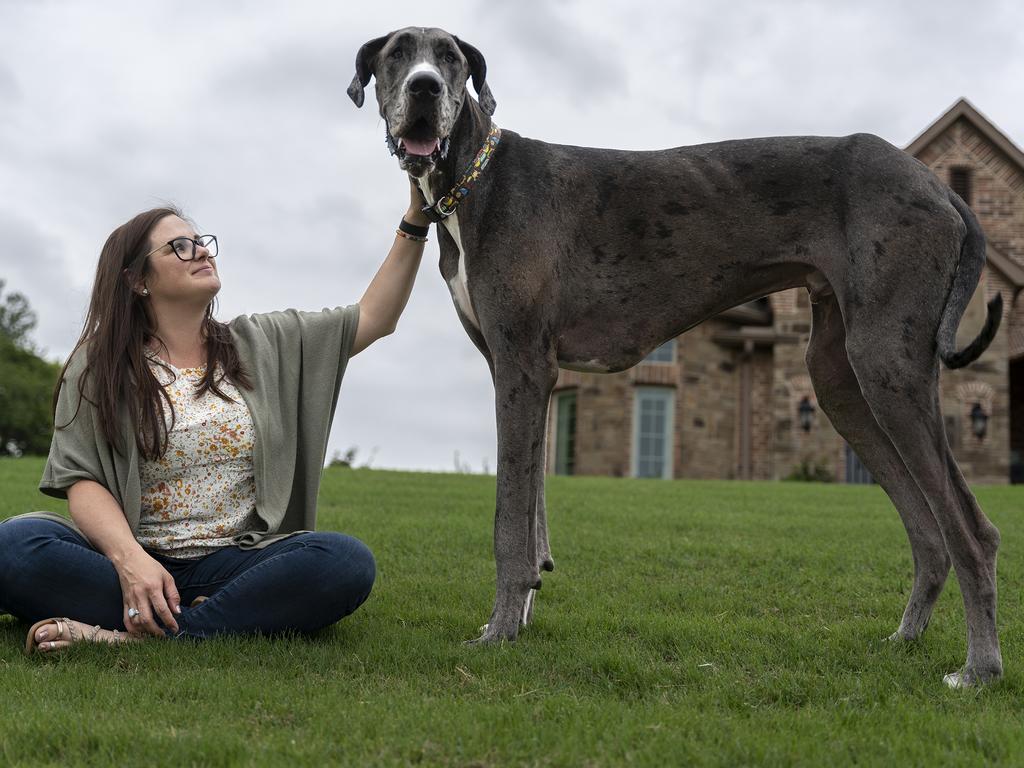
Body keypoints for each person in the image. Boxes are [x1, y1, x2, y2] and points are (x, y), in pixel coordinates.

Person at [0, 180, 432, 652]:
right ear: (137, 280)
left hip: (237, 565)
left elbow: (374, 317)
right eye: (179, 247)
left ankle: (138, 638)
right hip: (128, 563)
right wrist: (131, 562)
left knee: (343, 561)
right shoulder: (98, 364)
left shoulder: (264, 343)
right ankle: (202, 619)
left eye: (202, 242)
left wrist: (416, 220)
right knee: (14, 545)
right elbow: (82, 480)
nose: (201, 252)